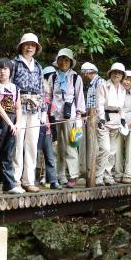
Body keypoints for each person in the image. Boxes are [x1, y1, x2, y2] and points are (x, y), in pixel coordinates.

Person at [11, 33, 45, 192]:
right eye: (27, 44)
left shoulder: (38, 66)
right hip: (19, 107)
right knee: (17, 144)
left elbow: (41, 90)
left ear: (36, 48)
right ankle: (15, 180)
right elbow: (9, 87)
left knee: (32, 145)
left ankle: (29, 180)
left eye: (33, 45)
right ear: (21, 46)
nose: (30, 47)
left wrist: (43, 112)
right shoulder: (14, 64)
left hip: (35, 109)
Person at [48, 48, 86, 187]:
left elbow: (79, 96)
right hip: (55, 115)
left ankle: (73, 175)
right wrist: (48, 114)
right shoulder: (53, 77)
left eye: (66, 60)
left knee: (71, 146)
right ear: (57, 61)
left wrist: (79, 115)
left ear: (70, 62)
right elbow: (50, 96)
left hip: (71, 116)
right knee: (57, 147)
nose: (63, 62)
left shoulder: (76, 77)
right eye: (61, 59)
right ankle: (60, 175)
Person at [0, 58, 24, 194]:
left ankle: (9, 184)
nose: (2, 72)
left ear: (10, 71)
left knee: (8, 153)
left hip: (12, 123)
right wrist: (10, 123)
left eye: (5, 69)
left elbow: (18, 108)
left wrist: (17, 123)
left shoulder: (15, 87)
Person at [95, 63, 127, 186]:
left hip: (116, 120)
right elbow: (100, 104)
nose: (117, 74)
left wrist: (123, 119)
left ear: (122, 75)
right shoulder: (103, 85)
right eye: (115, 72)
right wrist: (101, 118)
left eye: (119, 73)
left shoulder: (123, 89)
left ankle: (108, 175)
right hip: (105, 119)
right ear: (110, 73)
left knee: (113, 150)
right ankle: (98, 175)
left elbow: (122, 107)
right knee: (105, 149)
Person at [36, 66, 61, 189]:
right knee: (32, 155)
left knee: (50, 157)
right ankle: (30, 179)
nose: (45, 95)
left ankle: (53, 180)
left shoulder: (50, 104)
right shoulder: (35, 102)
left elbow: (53, 121)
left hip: (47, 132)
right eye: (43, 92)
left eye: (47, 93)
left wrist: (54, 137)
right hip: (35, 130)